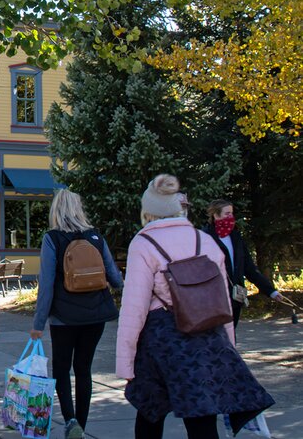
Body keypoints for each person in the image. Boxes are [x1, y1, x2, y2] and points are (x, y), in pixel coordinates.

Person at [116, 174, 274, 439]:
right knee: (202, 417)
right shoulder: (206, 241)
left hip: (162, 342)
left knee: (150, 413)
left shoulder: (144, 244)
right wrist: (229, 347)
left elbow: (134, 309)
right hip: (208, 338)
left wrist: (126, 363)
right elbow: (220, 300)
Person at [30, 189, 123, 439]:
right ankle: (82, 423)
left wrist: (38, 323)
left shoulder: (52, 239)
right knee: (84, 369)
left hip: (64, 317)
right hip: (95, 315)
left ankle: (70, 421)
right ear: (79, 209)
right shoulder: (96, 237)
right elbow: (114, 277)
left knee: (61, 369)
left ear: (55, 210)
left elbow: (46, 285)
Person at [201, 199, 282, 327]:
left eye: (232, 213)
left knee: (232, 335)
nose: (231, 217)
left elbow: (249, 268)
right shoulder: (204, 237)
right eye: (227, 214)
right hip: (215, 298)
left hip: (235, 297)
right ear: (215, 215)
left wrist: (271, 291)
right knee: (219, 337)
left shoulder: (236, 237)